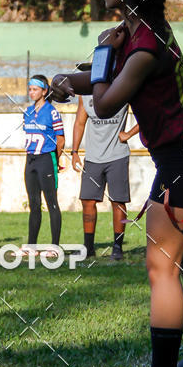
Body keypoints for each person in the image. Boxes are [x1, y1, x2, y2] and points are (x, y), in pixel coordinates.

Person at [51, 0, 183, 367]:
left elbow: (108, 102)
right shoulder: (141, 30)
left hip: (180, 160)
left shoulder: (143, 44)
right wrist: (70, 81)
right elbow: (106, 79)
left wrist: (96, 59)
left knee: (160, 266)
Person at [71, 94, 139, 260]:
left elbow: (148, 115)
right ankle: (88, 247)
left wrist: (129, 134)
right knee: (87, 201)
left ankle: (117, 247)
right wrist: (74, 152)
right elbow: (80, 123)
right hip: (93, 158)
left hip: (117, 155)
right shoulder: (85, 96)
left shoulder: (122, 90)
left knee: (118, 201)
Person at [23, 75, 65, 255]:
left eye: (35, 89)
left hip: (46, 159)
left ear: (44, 91)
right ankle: (31, 246)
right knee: (34, 203)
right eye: (30, 89)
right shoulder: (27, 112)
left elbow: (60, 140)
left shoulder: (52, 112)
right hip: (30, 160)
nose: (31, 92)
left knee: (52, 203)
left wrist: (55, 159)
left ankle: (55, 246)